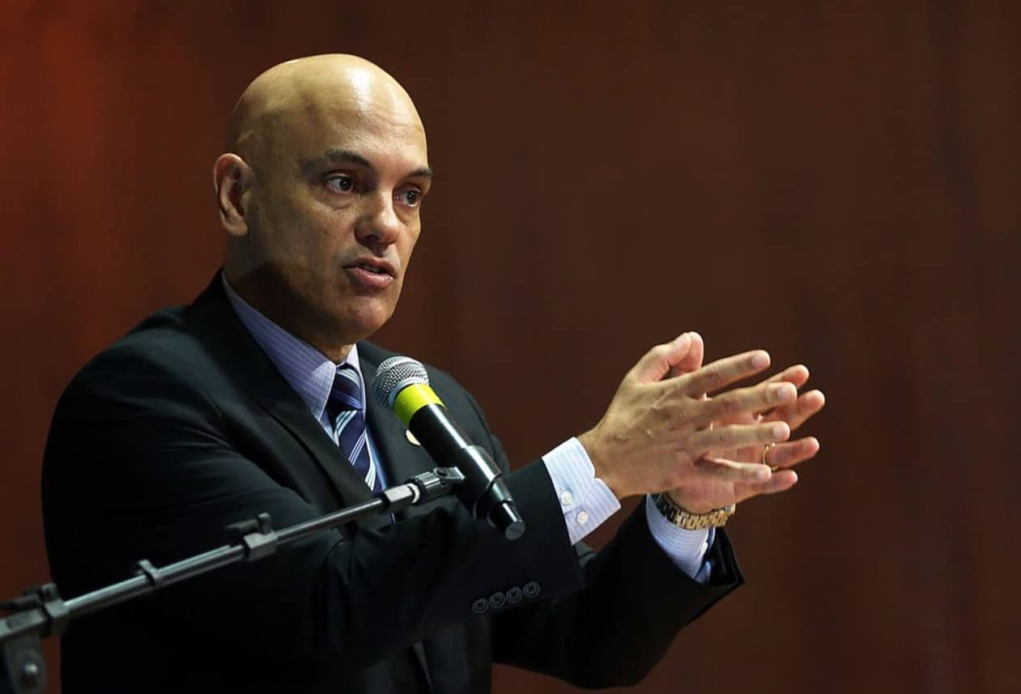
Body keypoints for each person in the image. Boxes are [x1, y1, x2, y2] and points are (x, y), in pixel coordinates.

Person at [41, 54, 824, 693]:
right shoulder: (142, 401)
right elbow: (326, 605)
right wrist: (600, 464)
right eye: (344, 183)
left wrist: (683, 509)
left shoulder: (424, 402)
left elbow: (581, 636)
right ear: (237, 195)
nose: (386, 225)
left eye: (410, 194)